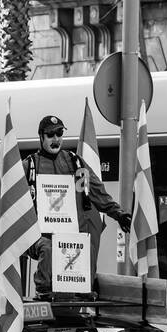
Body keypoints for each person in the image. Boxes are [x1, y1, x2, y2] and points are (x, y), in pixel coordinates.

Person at [26, 115, 131, 296]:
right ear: (41, 137)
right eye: (50, 135)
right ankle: (43, 289)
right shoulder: (29, 166)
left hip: (70, 233)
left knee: (85, 244)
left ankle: (81, 289)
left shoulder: (75, 162)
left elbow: (98, 192)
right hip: (38, 235)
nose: (56, 139)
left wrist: (119, 214)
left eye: (59, 133)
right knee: (48, 247)